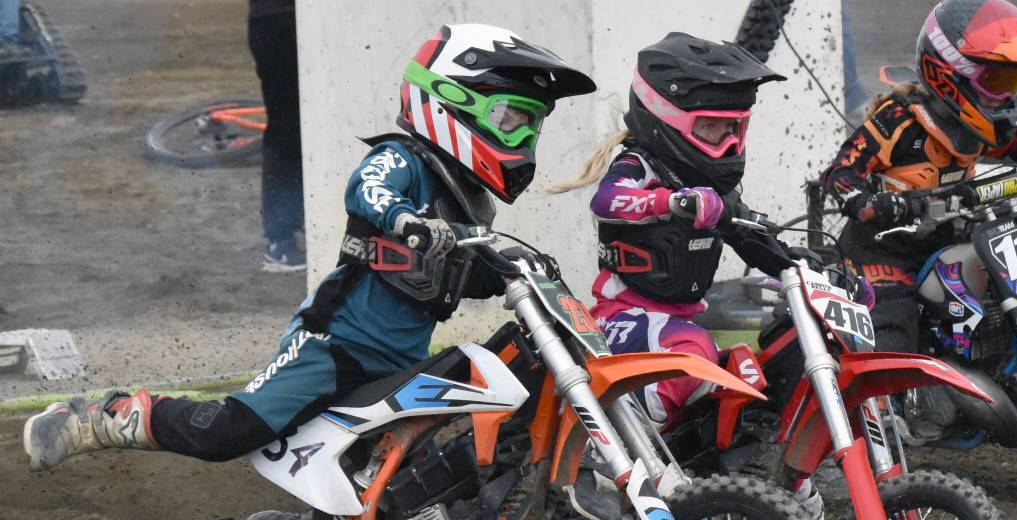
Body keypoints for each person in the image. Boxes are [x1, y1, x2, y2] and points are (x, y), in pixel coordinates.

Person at [23, 23, 595, 471]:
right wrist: (404, 220)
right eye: (511, 118)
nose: (522, 136)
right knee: (227, 432)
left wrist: (515, 270)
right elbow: (366, 190)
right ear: (450, 100)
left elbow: (460, 274)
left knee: (479, 400)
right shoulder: (401, 159)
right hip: (331, 349)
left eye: (531, 126)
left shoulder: (469, 203)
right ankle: (109, 415)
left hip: (401, 364)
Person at [551, 33, 822, 520]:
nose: (729, 143)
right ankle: (601, 456)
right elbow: (606, 201)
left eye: (735, 129)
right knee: (692, 352)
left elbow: (753, 239)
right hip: (622, 319)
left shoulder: (713, 187)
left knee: (745, 376)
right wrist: (671, 202)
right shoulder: (638, 163)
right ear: (668, 117)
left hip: (679, 325)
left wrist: (800, 267)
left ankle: (762, 500)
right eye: (713, 128)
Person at [823, 0, 1017, 353]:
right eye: (995, 81)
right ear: (948, 72)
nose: (1005, 96)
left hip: (947, 242)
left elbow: (1016, 145)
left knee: (995, 311)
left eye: (1013, 81)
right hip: (883, 254)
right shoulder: (899, 119)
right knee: (894, 339)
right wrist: (871, 203)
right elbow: (840, 172)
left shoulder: (989, 125)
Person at [248, 0, 305, 272]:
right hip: (279, 17)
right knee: (287, 128)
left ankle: (282, 238)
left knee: (288, 128)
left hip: (284, 17)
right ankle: (280, 239)